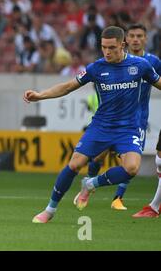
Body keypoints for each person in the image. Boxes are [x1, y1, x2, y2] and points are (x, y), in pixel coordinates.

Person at [23, 26, 161, 223]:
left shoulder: (141, 66)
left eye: (112, 48)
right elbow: (68, 86)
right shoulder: (97, 67)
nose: (107, 52)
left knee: (131, 168)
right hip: (101, 126)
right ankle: (49, 210)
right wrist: (40, 95)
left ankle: (91, 184)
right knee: (74, 164)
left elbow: (159, 83)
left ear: (122, 45)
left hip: (128, 128)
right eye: (103, 47)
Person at [81, 23, 161, 211]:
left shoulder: (152, 62)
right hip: (111, 118)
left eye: (139, 36)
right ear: (125, 41)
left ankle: (117, 197)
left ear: (145, 39)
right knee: (99, 156)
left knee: (131, 165)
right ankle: (88, 185)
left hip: (137, 119)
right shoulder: (113, 61)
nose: (135, 39)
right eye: (132, 35)